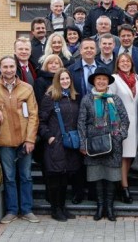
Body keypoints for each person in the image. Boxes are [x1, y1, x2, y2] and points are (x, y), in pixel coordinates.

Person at [0, 55, 39, 224]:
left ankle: (26, 209)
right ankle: (11, 210)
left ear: (16, 68)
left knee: (26, 176)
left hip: (24, 139)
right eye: (5, 67)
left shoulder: (27, 88)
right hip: (4, 140)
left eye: (11, 66)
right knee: (9, 177)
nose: (8, 70)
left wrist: (30, 139)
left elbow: (33, 115)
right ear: (0, 68)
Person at [78, 67, 130, 221]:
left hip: (113, 144)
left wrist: (121, 135)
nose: (101, 81)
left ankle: (110, 207)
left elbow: (125, 120)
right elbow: (81, 122)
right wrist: (82, 143)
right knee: (98, 176)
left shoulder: (115, 99)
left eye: (104, 79)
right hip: (93, 145)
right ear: (94, 81)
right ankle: (100, 207)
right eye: (98, 79)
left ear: (108, 82)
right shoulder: (87, 99)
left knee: (111, 176)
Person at [38, 69, 82, 222]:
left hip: (70, 143)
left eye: (67, 78)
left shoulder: (73, 97)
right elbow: (41, 121)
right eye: (62, 79)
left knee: (65, 177)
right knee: (55, 178)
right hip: (55, 143)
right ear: (57, 81)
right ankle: (55, 209)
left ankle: (62, 207)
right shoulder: (50, 98)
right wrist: (49, 137)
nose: (65, 81)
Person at [109, 53, 138, 204]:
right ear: (117, 64)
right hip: (120, 124)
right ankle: (124, 188)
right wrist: (114, 123)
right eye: (122, 61)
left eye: (127, 61)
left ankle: (122, 184)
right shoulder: (114, 79)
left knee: (129, 156)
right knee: (122, 156)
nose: (125, 63)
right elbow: (109, 102)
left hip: (135, 124)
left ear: (131, 63)